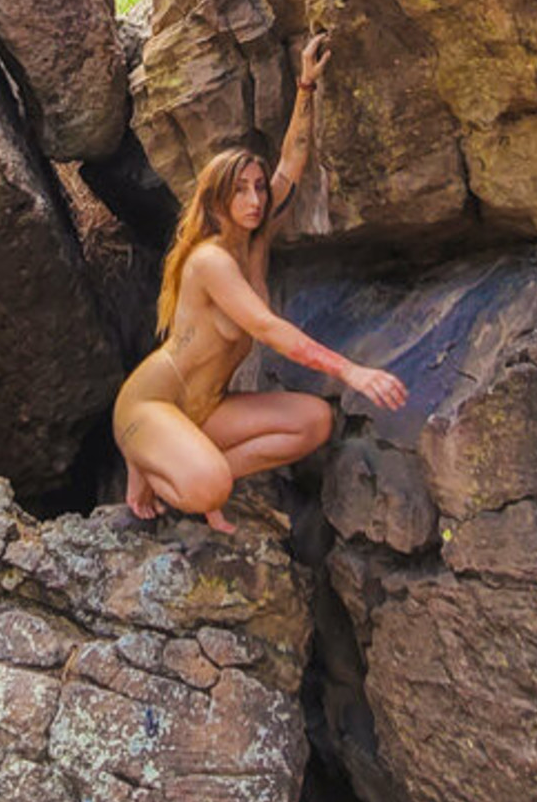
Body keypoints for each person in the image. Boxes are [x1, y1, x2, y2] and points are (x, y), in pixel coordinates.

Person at [113, 32, 408, 530]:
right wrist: (352, 372)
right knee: (208, 489)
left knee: (314, 422)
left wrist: (306, 87)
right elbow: (268, 329)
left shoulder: (254, 237)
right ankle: (151, 463)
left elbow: (292, 162)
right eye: (240, 191)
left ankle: (199, 470)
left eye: (257, 188)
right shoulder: (210, 261)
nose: (254, 200)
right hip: (150, 405)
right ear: (217, 200)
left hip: (207, 410)